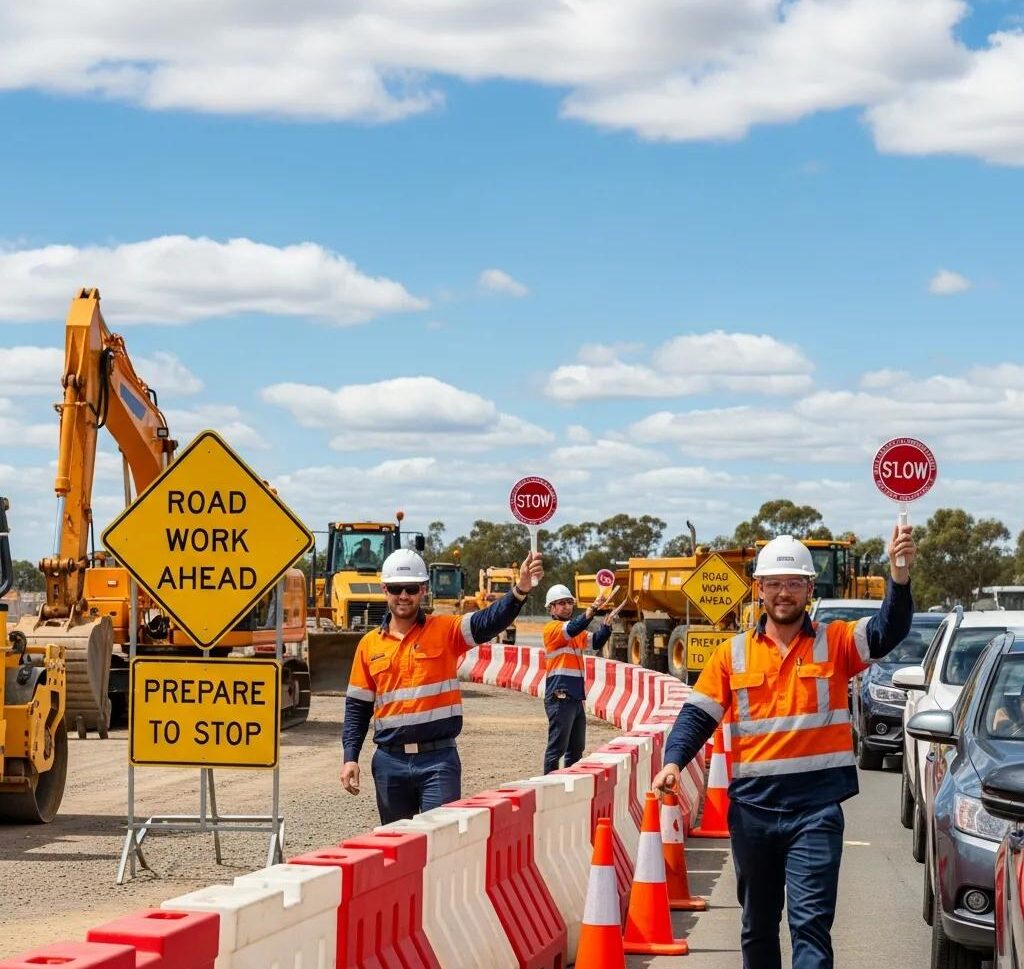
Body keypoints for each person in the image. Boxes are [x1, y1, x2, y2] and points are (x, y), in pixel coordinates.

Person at [652, 527, 916, 969]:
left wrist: (899, 574)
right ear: (758, 590)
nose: (783, 593)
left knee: (810, 925)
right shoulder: (731, 655)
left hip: (816, 811)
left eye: (794, 583)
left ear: (809, 590)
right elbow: (698, 716)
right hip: (753, 813)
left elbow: (890, 628)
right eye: (774, 584)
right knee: (757, 926)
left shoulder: (836, 643)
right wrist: (674, 761)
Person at [341, 546, 544, 823]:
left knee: (443, 840)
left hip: (438, 761)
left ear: (423, 590)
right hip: (390, 763)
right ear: (384, 589)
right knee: (397, 847)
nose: (403, 595)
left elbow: (489, 621)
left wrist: (520, 589)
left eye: (411, 589)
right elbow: (357, 708)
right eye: (396, 588)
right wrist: (350, 757)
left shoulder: (446, 630)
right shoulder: (368, 645)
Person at [541, 583, 622, 774]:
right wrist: (593, 608)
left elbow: (595, 642)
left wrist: (606, 626)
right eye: (562, 603)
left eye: (569, 602)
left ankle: (569, 783)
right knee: (557, 749)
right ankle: (548, 786)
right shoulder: (553, 629)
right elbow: (574, 626)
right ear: (551, 608)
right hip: (559, 696)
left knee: (576, 749)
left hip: (575, 697)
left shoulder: (574, 632)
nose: (567, 606)